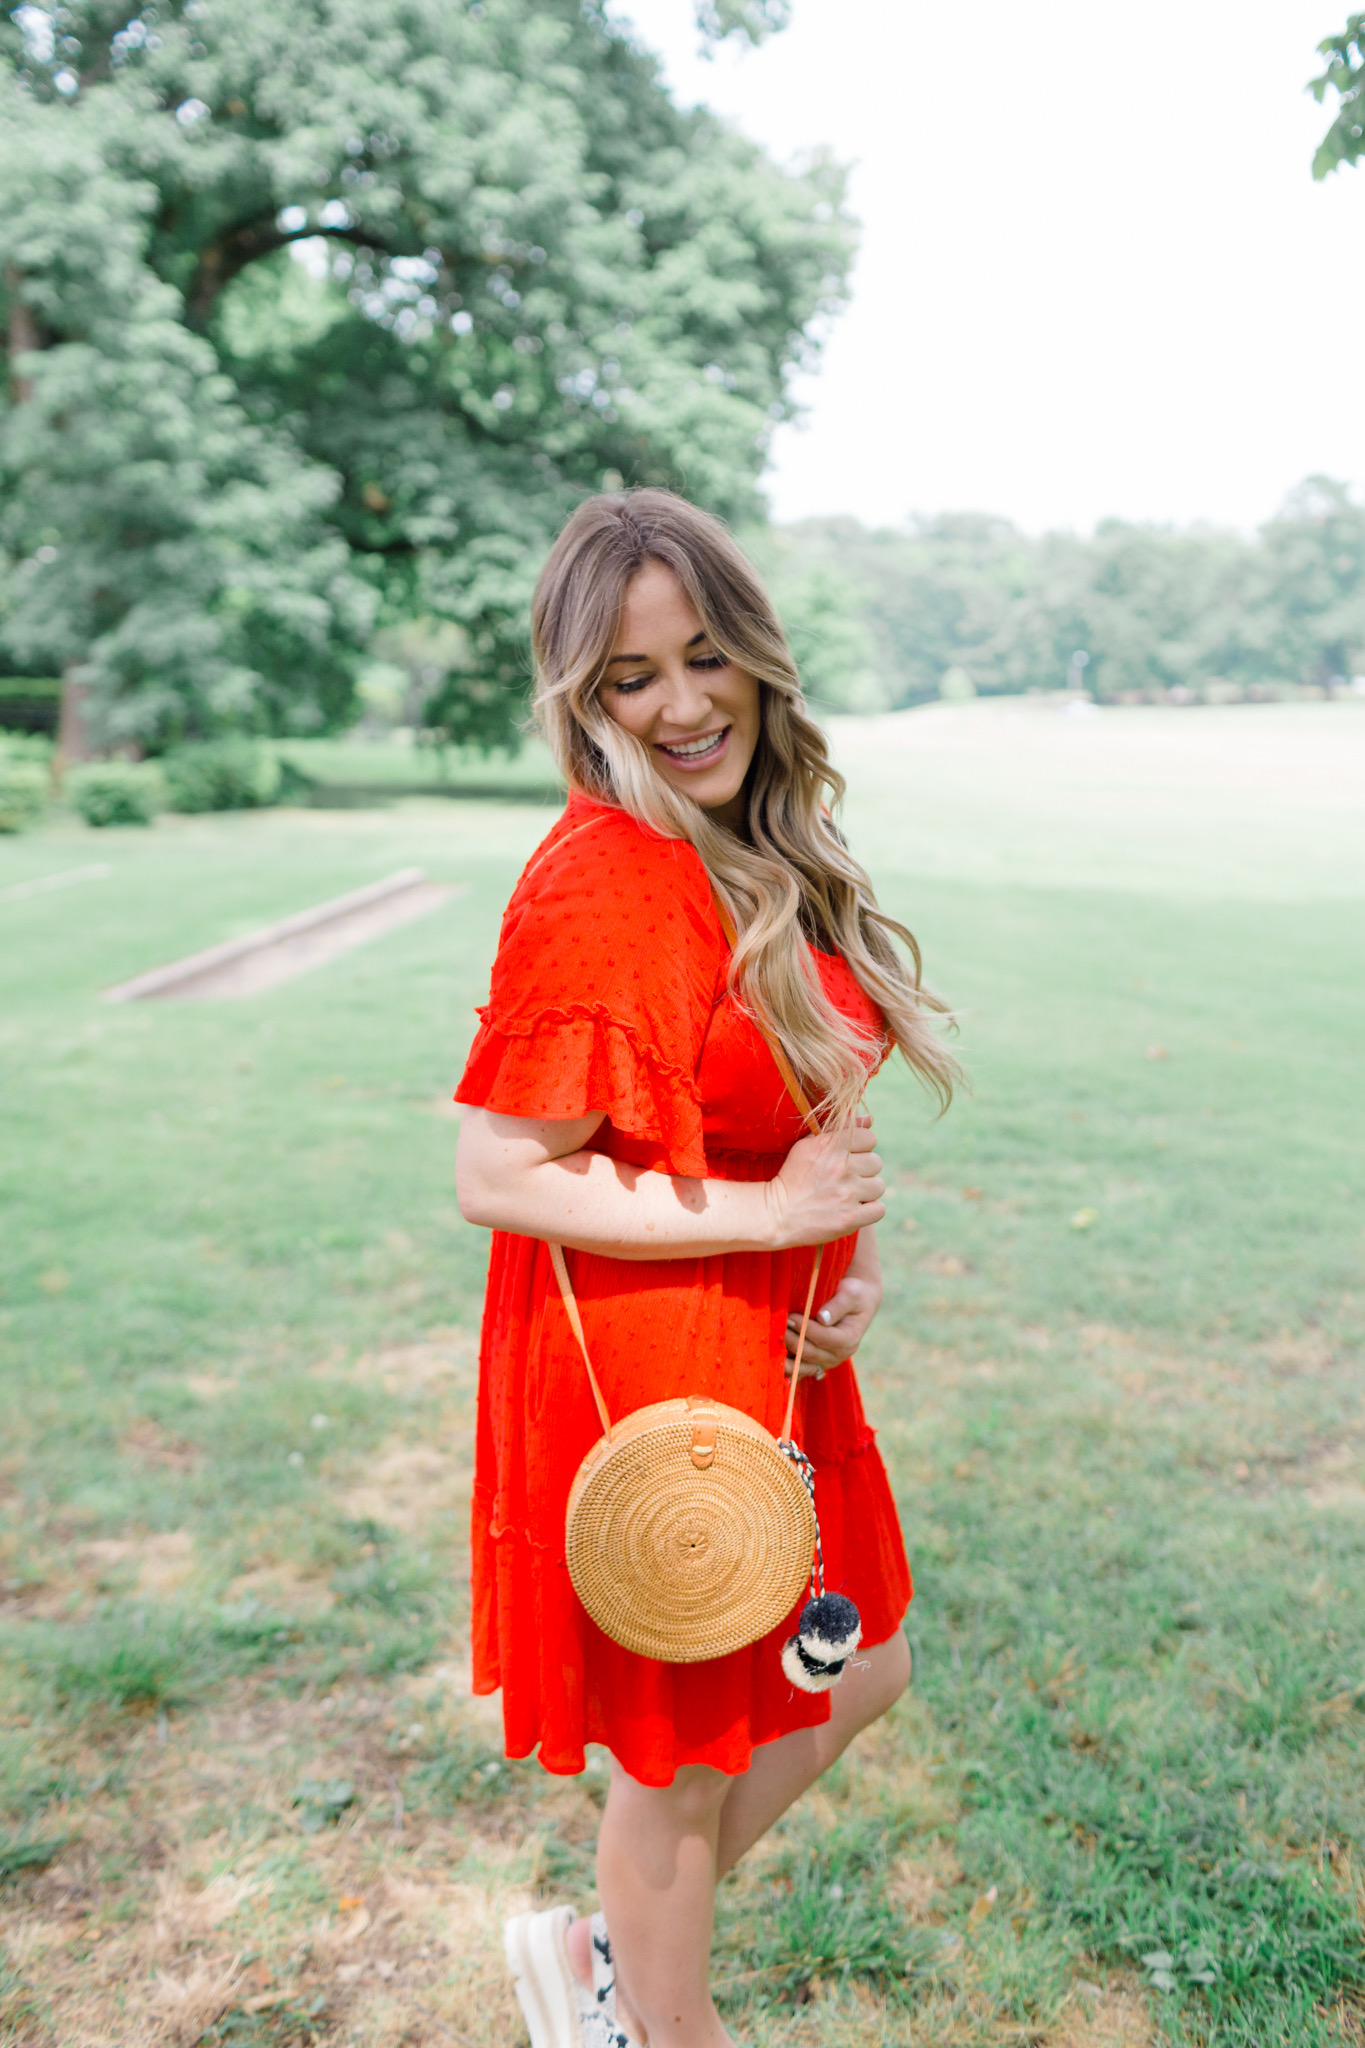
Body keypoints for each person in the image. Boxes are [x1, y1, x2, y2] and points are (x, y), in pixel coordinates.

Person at [454, 489, 954, 2048]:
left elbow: (776, 1114)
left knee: (852, 1663)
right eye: (628, 677)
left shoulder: (746, 844)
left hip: (775, 1346)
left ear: (753, 653)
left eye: (702, 656)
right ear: (580, 701)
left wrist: (837, 1264)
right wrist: (771, 1220)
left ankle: (601, 1958)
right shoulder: (605, 871)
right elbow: (495, 1170)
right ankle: (660, 2025)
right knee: (680, 1761)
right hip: (658, 1364)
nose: (681, 704)